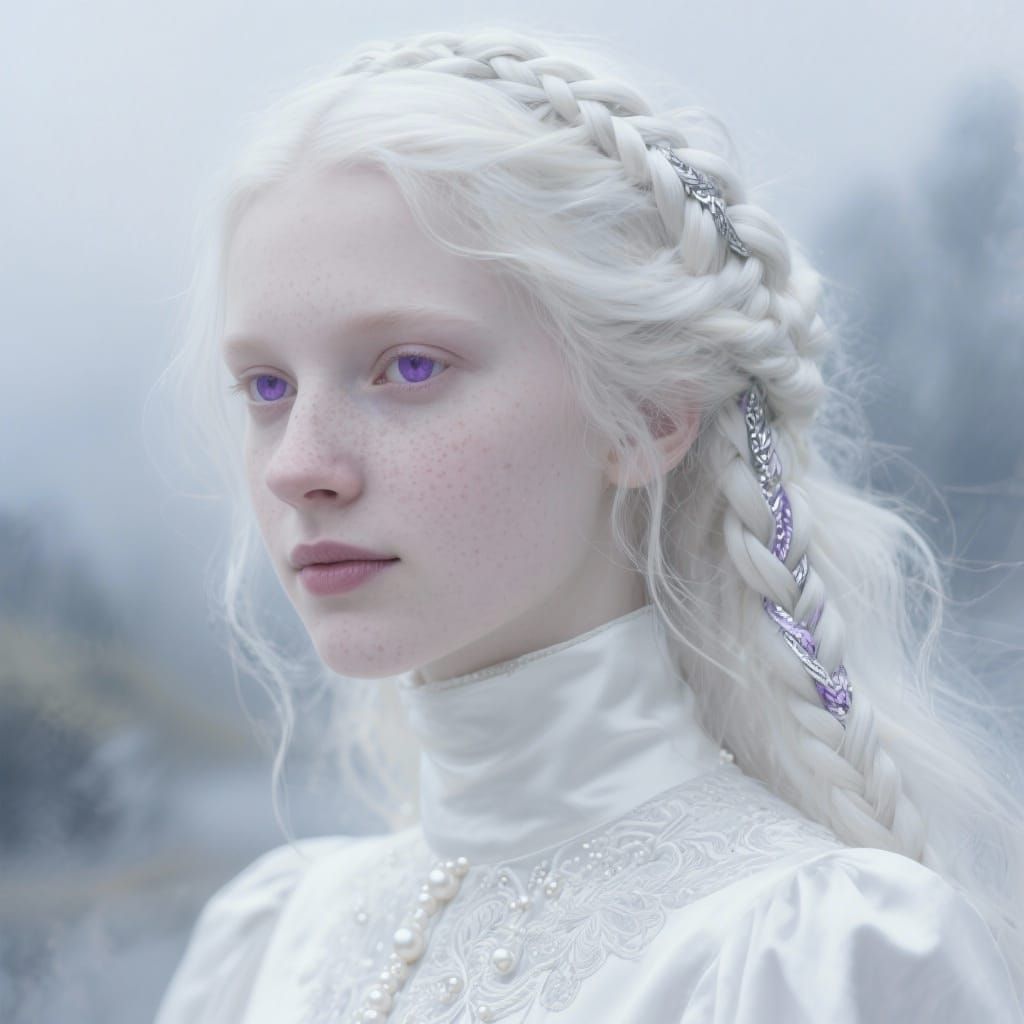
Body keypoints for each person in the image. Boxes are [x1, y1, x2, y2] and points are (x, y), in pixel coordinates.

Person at [153, 25, 1024, 1023]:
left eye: (409, 367)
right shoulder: (270, 941)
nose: (301, 465)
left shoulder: (812, 954)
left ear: (647, 414)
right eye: (266, 385)